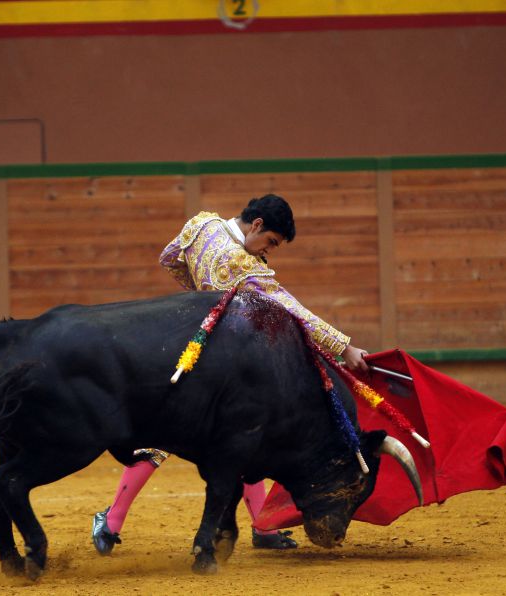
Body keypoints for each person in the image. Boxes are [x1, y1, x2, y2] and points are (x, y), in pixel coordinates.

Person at [92, 194, 369, 555]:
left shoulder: (201, 224)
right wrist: (343, 347)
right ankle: (111, 518)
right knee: (231, 434)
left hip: (196, 343)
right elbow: (292, 310)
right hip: (226, 363)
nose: (267, 251)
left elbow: (170, 258)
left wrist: (199, 299)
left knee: (235, 437)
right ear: (256, 225)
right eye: (270, 242)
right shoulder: (243, 264)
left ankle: (114, 522)